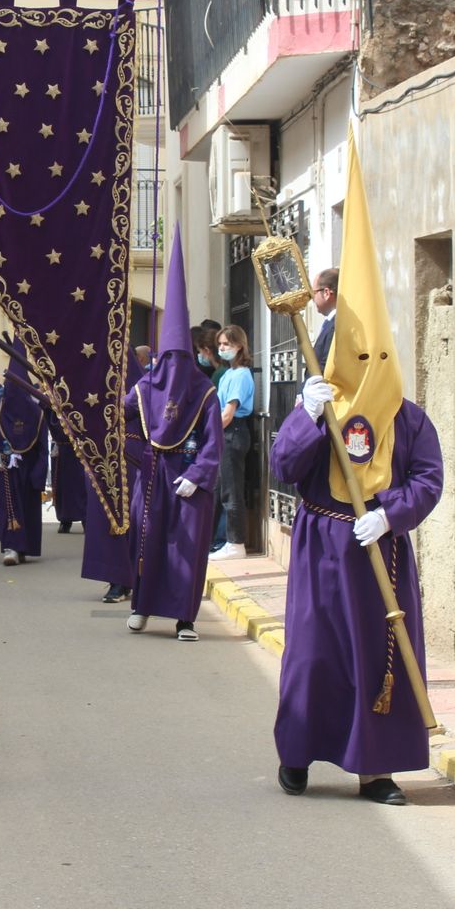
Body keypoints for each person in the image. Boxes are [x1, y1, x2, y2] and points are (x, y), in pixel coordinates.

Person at [271, 378, 443, 804]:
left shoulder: (409, 417)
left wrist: (390, 515)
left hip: (379, 551)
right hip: (321, 547)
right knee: (312, 654)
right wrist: (306, 416)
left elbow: (428, 478)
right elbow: (284, 467)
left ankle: (376, 769)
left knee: (375, 659)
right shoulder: (319, 406)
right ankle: (297, 752)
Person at [125, 227, 222, 642]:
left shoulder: (205, 391)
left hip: (187, 478)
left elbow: (214, 442)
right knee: (145, 538)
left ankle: (185, 618)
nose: (178, 366)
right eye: (172, 357)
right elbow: (119, 416)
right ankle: (141, 607)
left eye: (185, 358)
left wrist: (197, 476)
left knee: (187, 548)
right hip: (152, 473)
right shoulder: (145, 388)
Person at [82, 351, 145, 603]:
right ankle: (115, 578)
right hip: (99, 458)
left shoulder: (141, 387)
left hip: (132, 460)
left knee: (132, 520)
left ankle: (132, 579)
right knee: (104, 520)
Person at [0, 345, 46, 567]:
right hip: (4, 467)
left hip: (29, 466)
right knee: (8, 506)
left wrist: (39, 473)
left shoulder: (36, 413)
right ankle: (11, 547)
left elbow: (42, 446)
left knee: (28, 507)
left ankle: (24, 546)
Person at [213, 324, 256, 561]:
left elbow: (228, 413)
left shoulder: (240, 375)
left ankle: (235, 542)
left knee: (231, 491)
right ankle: (225, 540)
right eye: (220, 344)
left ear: (239, 346)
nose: (222, 348)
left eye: (226, 344)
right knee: (221, 489)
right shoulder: (229, 373)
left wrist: (211, 434)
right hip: (226, 433)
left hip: (233, 431)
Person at [48, 407, 86, 534]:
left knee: (82, 486)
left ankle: (85, 518)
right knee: (63, 487)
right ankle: (65, 520)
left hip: (81, 448)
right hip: (63, 450)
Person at [311, 268, 339, 371]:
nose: (312, 298)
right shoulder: (330, 323)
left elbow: (326, 366)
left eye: (314, 292)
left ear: (326, 293)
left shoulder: (336, 325)